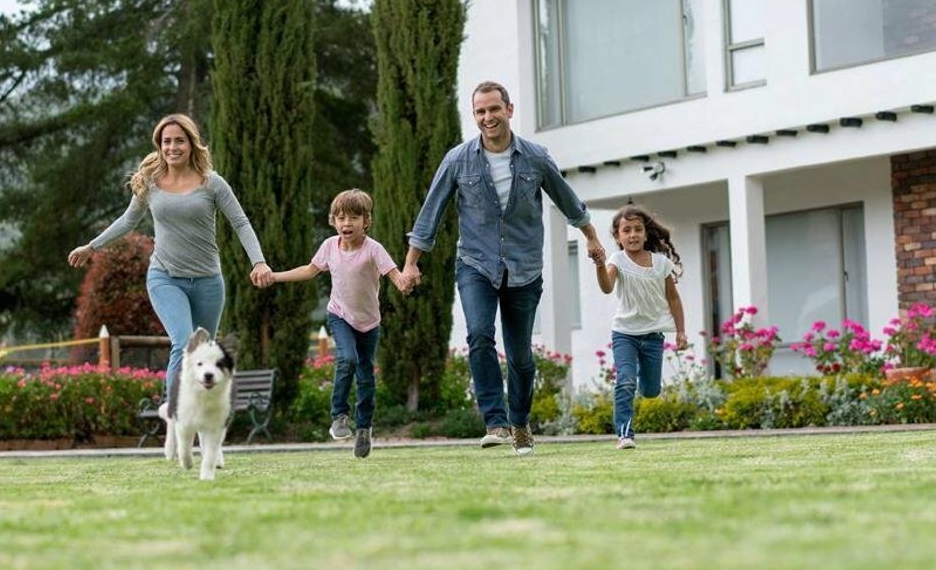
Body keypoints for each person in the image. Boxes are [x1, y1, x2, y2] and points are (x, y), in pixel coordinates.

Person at [402, 81, 604, 457]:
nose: (487, 117)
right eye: (480, 111)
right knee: (479, 334)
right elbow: (431, 213)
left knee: (521, 356)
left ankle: (521, 423)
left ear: (509, 110)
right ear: (474, 115)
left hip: (523, 267)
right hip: (475, 263)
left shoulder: (536, 157)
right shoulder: (458, 160)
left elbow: (569, 202)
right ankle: (495, 420)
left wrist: (591, 237)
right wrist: (411, 264)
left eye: (494, 109)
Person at [68, 113, 272, 397]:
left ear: (191, 144)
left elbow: (240, 222)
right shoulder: (150, 182)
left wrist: (258, 261)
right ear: (158, 145)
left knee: (201, 353)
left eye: (179, 140)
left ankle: (198, 424)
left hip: (207, 281)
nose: (172, 147)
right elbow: (128, 221)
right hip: (165, 277)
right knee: (184, 341)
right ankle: (175, 414)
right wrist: (92, 246)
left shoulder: (212, 183)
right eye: (166, 141)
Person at [268, 189, 408, 459]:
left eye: (354, 217)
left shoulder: (373, 249)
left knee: (366, 378)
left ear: (366, 221)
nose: (347, 223)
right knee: (348, 359)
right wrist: (275, 276)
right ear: (333, 221)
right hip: (340, 315)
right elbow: (310, 270)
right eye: (341, 217)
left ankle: (364, 428)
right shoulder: (330, 246)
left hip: (369, 323)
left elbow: (393, 273)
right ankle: (339, 416)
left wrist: (403, 281)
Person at [594, 204, 687, 450]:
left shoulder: (661, 264)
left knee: (650, 390)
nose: (632, 235)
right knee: (625, 381)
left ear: (646, 234)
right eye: (626, 230)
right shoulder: (617, 260)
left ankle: (647, 391)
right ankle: (625, 435)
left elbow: (674, 298)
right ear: (618, 237)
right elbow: (606, 287)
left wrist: (680, 331)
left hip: (653, 336)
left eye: (637, 229)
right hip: (625, 333)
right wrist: (599, 265)